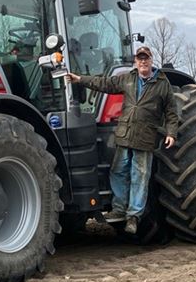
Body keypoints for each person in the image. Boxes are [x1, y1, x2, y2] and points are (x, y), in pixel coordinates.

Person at [65, 46, 178, 234]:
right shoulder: (128, 78)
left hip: (145, 136)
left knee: (139, 176)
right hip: (125, 135)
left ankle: (133, 216)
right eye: (140, 59)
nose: (143, 62)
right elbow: (104, 83)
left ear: (151, 60)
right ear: (136, 61)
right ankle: (119, 208)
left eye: (146, 59)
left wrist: (171, 133)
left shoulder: (162, 83)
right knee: (117, 172)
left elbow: (172, 112)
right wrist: (80, 79)